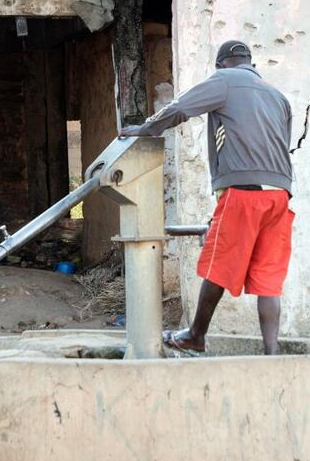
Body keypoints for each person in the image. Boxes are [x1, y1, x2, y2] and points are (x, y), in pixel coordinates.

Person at [120, 40, 293, 355]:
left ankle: (195, 336)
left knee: (218, 266)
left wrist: (146, 130)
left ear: (222, 64)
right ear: (249, 62)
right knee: (269, 278)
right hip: (279, 195)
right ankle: (272, 353)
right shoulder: (277, 96)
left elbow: (181, 108)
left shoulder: (224, 80)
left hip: (243, 191)